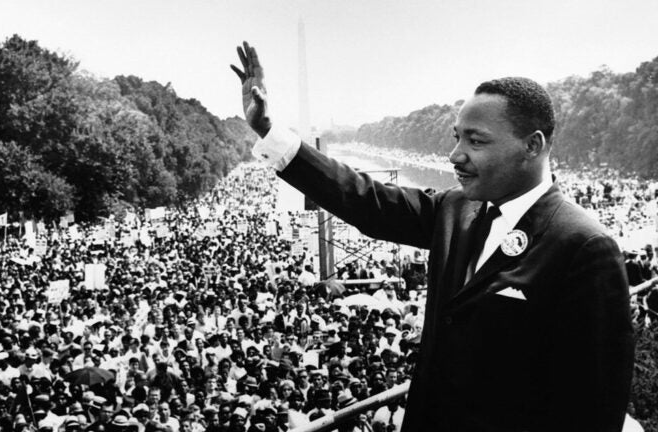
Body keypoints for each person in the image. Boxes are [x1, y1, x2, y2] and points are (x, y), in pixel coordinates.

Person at [231, 41, 634, 431]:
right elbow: (364, 201)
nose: (455, 155)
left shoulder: (584, 246)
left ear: (532, 146)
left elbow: (592, 409)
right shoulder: (455, 208)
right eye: (456, 137)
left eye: (475, 141)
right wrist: (269, 131)